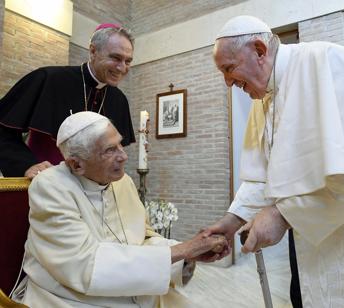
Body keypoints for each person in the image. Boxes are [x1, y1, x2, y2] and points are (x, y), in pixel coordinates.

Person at [205, 15, 344, 308]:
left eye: (229, 69)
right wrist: (232, 221)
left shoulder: (326, 62)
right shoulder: (264, 97)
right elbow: (262, 176)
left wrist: (284, 215)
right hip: (337, 217)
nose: (228, 82)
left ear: (259, 50)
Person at [11, 111, 227, 307]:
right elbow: (84, 265)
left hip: (136, 293)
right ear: (76, 165)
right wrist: (182, 250)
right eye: (110, 150)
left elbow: (143, 238)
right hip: (70, 297)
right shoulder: (50, 186)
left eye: (120, 145)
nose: (123, 156)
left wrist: (187, 255)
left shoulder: (122, 182)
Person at [0, 23, 135, 179]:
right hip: (48, 185)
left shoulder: (119, 100)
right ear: (93, 51)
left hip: (94, 194)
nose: (122, 67)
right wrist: (26, 165)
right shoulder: (48, 79)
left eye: (128, 61)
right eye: (116, 58)